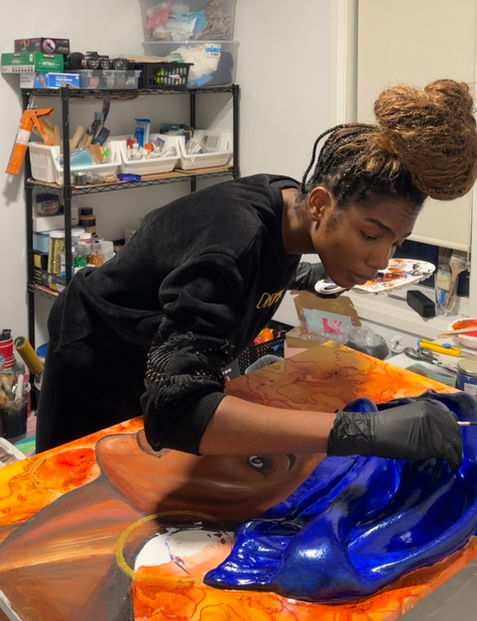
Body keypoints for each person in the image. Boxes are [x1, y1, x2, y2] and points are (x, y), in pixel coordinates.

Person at [37, 78, 477, 470]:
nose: (382, 259)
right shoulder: (230, 245)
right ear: (320, 204)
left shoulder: (287, 204)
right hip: (97, 356)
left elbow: (259, 260)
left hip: (156, 358)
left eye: (396, 243)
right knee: (71, 495)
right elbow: (174, 411)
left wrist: (308, 276)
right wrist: (358, 432)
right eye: (370, 235)